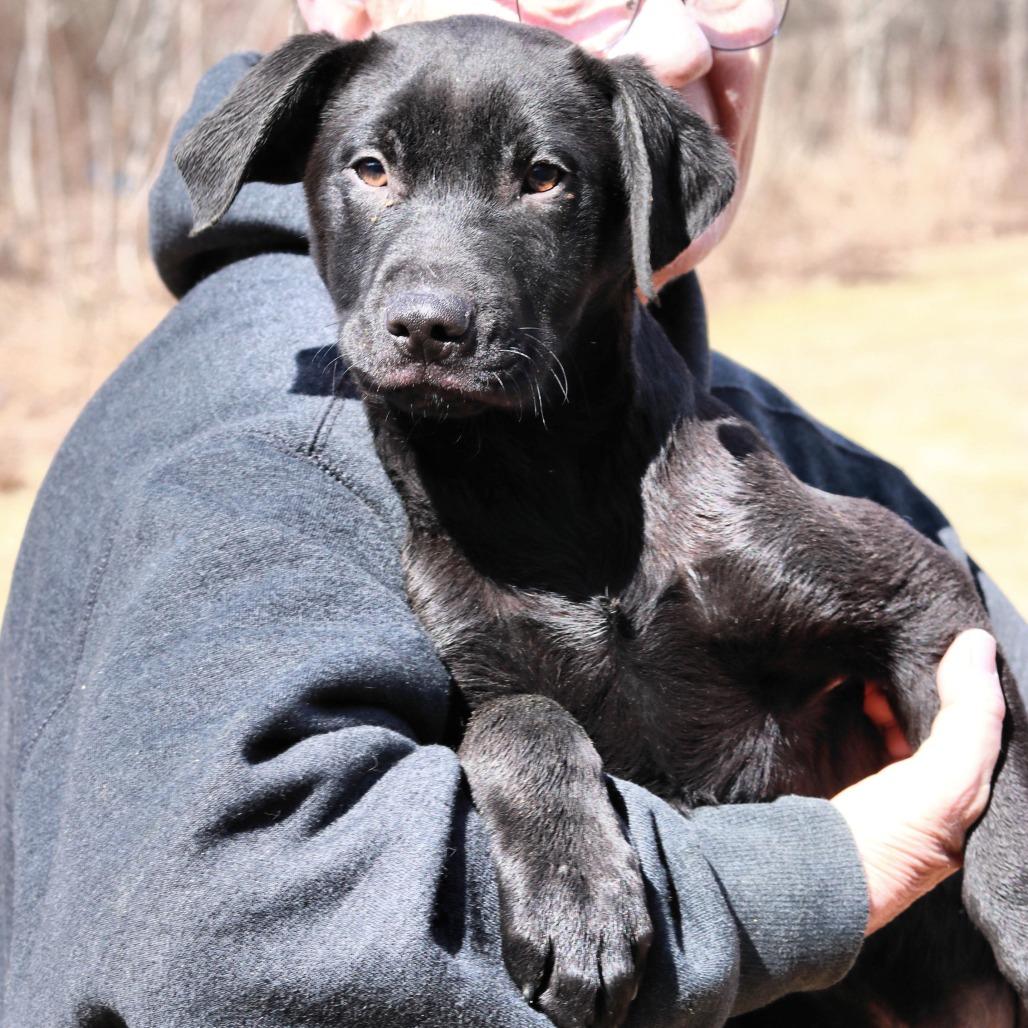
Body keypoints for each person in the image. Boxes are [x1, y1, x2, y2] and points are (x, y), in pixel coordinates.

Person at [0, 0, 1021, 1024]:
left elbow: (936, 611)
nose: (671, 42)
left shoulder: (752, 435)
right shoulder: (268, 430)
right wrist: (827, 870)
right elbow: (230, 929)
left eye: (537, 178)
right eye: (375, 170)